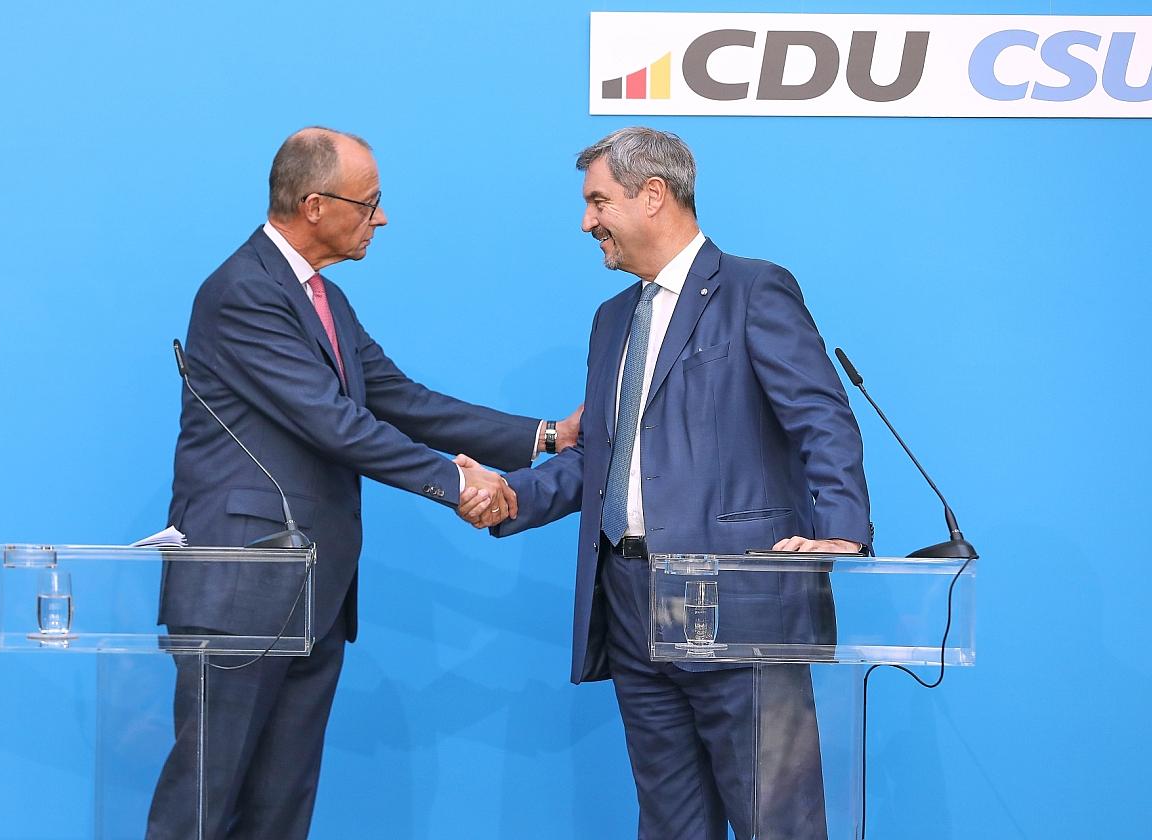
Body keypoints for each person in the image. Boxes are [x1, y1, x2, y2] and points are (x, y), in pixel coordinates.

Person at [147, 126, 580, 840]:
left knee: (280, 810)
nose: (381, 218)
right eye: (369, 202)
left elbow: (401, 399)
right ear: (315, 205)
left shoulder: (325, 300)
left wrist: (548, 436)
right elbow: (335, 424)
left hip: (313, 592)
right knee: (203, 803)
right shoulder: (243, 292)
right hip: (243, 590)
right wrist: (456, 484)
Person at [459, 127, 871, 840]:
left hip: (737, 598)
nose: (586, 222)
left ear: (652, 195)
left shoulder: (753, 290)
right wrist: (513, 496)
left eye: (598, 202)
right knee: (670, 823)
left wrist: (841, 531)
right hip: (630, 601)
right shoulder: (612, 319)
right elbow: (603, 459)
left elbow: (821, 419)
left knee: (778, 823)